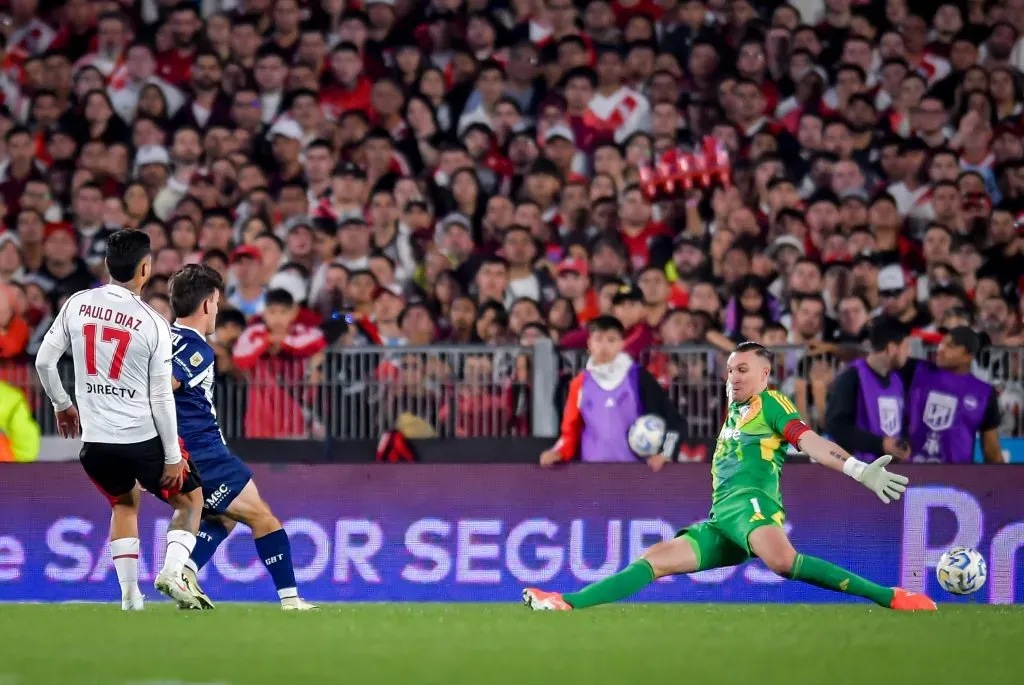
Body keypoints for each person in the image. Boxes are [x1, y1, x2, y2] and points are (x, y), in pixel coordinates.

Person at [524, 342, 935, 612]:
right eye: (730, 371)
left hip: (753, 507)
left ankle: (891, 597)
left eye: (742, 370)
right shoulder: (736, 411)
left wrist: (858, 469)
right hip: (724, 519)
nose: (734, 377)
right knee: (653, 560)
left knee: (782, 561)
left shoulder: (772, 403)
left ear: (765, 374)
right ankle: (566, 602)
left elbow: (808, 441)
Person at [34, 229, 205, 610]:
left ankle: (130, 597)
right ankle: (172, 572)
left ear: (108, 264)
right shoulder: (153, 323)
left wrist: (62, 404)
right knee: (191, 500)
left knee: (124, 505)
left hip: (94, 442)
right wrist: (172, 456)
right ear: (145, 268)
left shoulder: (78, 304)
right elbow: (161, 396)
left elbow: (44, 361)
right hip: (141, 439)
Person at [167, 264, 318, 610]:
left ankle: (186, 570)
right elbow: (164, 385)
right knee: (263, 519)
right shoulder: (195, 348)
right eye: (217, 302)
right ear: (207, 304)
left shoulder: (165, 339)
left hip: (188, 450)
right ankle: (291, 601)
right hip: (204, 452)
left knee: (225, 517)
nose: (218, 309)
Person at [539, 315, 684, 470]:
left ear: (622, 344)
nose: (604, 346)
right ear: (589, 344)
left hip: (635, 474)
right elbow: (570, 431)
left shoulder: (638, 377)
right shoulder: (579, 384)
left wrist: (666, 453)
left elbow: (674, 421)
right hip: (591, 473)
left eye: (611, 340)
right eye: (598, 339)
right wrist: (557, 452)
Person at [904, 326, 1003, 463]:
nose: (940, 349)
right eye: (941, 343)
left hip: (957, 478)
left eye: (950, 346)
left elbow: (991, 451)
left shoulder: (984, 392)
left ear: (968, 356)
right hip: (911, 472)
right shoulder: (917, 371)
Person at [824, 317, 912, 461]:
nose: (907, 353)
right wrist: (879, 444)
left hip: (891, 470)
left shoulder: (897, 381)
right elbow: (836, 426)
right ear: (891, 348)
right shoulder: (851, 377)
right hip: (857, 471)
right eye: (906, 347)